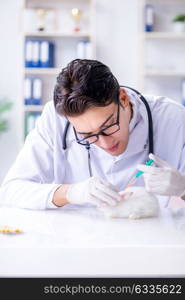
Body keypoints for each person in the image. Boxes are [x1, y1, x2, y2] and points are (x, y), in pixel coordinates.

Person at [0, 59, 185, 210]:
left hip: (149, 244)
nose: (104, 143)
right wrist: (70, 193)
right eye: (87, 135)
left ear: (123, 99)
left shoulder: (173, 119)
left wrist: (183, 188)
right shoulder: (55, 119)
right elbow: (11, 190)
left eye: (108, 126)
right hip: (77, 243)